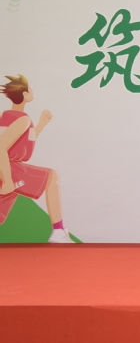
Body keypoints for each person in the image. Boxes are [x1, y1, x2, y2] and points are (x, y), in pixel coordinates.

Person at [0, 75, 73, 243]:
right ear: (25, 95)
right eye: (31, 90)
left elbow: (22, 141)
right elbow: (2, 147)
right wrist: (8, 180)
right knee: (52, 177)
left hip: (6, 166)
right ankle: (58, 231)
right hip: (9, 167)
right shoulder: (23, 119)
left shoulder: (5, 115)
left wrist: (41, 124)